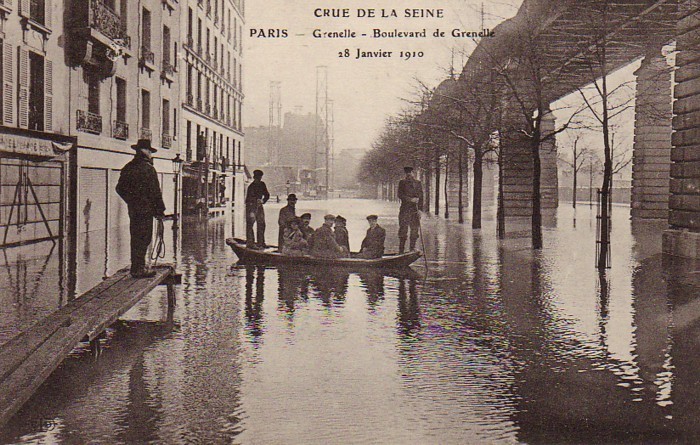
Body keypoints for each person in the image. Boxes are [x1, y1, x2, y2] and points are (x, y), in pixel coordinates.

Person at [116, 139, 166, 278]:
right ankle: (139, 269)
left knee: (135, 237)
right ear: (145, 151)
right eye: (150, 151)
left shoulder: (128, 167)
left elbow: (119, 188)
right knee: (144, 238)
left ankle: (136, 267)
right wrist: (159, 210)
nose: (151, 154)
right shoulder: (148, 169)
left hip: (134, 210)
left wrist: (132, 201)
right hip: (146, 211)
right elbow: (155, 192)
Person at [398, 166, 424, 253]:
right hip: (405, 210)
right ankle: (401, 251)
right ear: (405, 174)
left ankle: (412, 249)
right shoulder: (402, 183)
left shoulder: (418, 183)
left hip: (414, 211)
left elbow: (421, 197)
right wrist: (410, 199)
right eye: (407, 173)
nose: (409, 175)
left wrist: (420, 210)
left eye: (411, 173)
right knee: (403, 230)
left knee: (414, 231)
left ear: (413, 173)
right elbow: (400, 195)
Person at [245, 169, 270, 248]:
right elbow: (248, 199)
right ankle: (250, 243)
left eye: (260, 178)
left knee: (261, 224)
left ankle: (261, 242)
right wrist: (254, 202)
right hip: (251, 207)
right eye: (257, 178)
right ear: (254, 178)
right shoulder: (251, 187)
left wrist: (263, 201)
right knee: (250, 224)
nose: (259, 179)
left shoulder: (262, 185)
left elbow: (267, 195)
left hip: (259, 207)